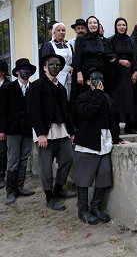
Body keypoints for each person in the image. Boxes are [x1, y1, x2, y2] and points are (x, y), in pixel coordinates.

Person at [74, 68, 126, 225]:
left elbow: (112, 120)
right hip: (88, 142)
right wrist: (97, 94)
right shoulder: (83, 98)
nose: (99, 82)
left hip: (105, 142)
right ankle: (82, 210)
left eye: (101, 79)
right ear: (88, 82)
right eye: (95, 79)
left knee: (104, 176)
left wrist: (117, 139)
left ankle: (95, 207)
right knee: (84, 177)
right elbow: (88, 113)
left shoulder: (107, 98)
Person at [27, 53, 76, 211]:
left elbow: (66, 111)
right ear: (44, 67)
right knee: (46, 166)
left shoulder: (61, 88)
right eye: (52, 64)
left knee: (68, 158)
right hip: (45, 132)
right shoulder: (36, 86)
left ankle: (58, 190)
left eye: (58, 65)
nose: (55, 67)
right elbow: (33, 111)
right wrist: (41, 133)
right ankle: (49, 197)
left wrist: (71, 132)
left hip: (62, 131)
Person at [0, 58, 36, 204]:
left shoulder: (33, 88)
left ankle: (20, 187)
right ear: (17, 72)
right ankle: (10, 191)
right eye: (23, 69)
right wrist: (2, 130)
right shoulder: (7, 88)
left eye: (28, 69)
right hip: (13, 130)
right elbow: (1, 111)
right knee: (13, 160)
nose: (25, 71)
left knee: (23, 159)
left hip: (27, 130)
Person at [71, 16, 113, 125]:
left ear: (98, 25)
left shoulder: (102, 40)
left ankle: (100, 123)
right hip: (85, 72)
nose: (93, 25)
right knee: (87, 97)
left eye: (95, 23)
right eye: (90, 23)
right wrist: (79, 72)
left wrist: (114, 58)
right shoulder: (81, 39)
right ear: (87, 26)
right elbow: (77, 57)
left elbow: (107, 54)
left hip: (101, 72)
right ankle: (84, 125)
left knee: (100, 95)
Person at [107, 17, 137, 134]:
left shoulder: (131, 41)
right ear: (115, 27)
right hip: (115, 74)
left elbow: (136, 57)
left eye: (124, 25)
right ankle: (115, 127)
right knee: (116, 100)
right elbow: (108, 55)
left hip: (128, 74)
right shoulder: (110, 40)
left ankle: (130, 127)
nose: (122, 27)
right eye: (119, 25)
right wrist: (120, 61)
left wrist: (135, 72)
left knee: (130, 99)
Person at [41, 22, 74, 99]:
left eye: (63, 30)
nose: (61, 32)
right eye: (58, 30)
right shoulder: (49, 45)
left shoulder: (69, 45)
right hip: (55, 75)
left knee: (68, 97)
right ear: (54, 32)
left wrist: (72, 67)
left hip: (69, 75)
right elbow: (45, 62)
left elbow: (73, 59)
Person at [0, 60, 10, 189]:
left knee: (2, 152)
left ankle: (1, 175)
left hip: (4, 124)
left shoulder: (8, 86)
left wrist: (2, 129)